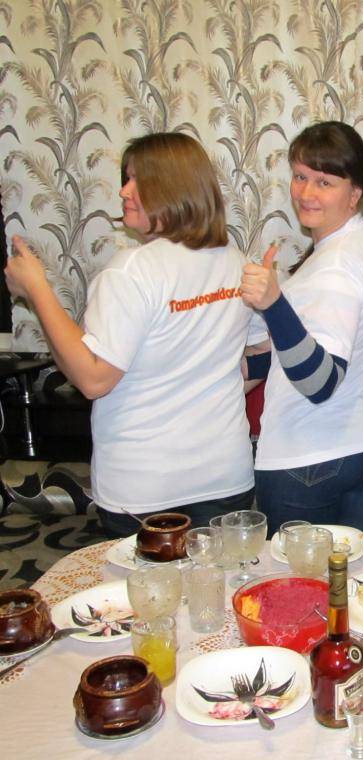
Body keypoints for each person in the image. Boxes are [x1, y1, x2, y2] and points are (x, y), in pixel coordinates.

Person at [5, 132, 266, 537]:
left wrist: (38, 290)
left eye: (137, 180)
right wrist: (218, 378)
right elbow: (266, 351)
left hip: (145, 488)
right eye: (125, 179)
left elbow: (94, 379)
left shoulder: (132, 272)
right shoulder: (236, 263)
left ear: (172, 187)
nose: (124, 191)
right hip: (224, 477)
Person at [239, 121, 363, 538]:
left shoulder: (336, 266)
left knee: (299, 582)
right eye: (300, 177)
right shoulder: (361, 241)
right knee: (359, 578)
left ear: (355, 194)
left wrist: (274, 303)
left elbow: (320, 382)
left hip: (310, 458)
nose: (306, 193)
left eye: (324, 182)